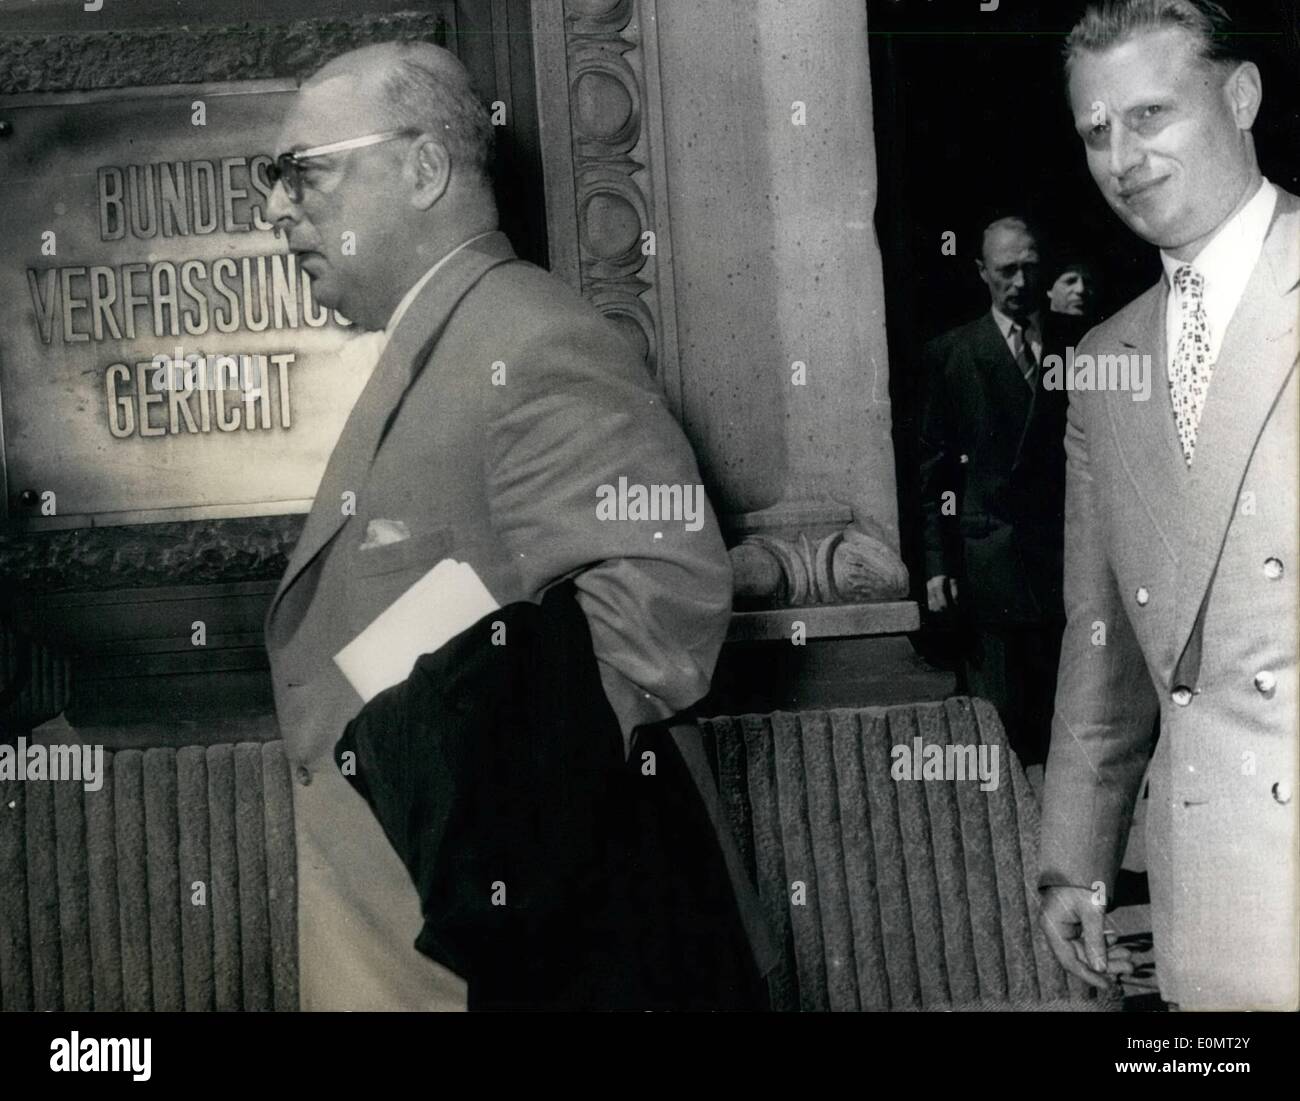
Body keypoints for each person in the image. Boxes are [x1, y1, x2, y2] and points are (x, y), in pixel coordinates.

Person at [262, 41, 773, 1010]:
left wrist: (483, 866)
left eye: (305, 172)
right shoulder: (443, 337)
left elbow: (657, 608)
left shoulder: (535, 340)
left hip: (502, 948)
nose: (276, 207)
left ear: (422, 169)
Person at [1039, 0, 1298, 1011]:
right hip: (1205, 892)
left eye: (1150, 116)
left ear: (1239, 97)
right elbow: (1100, 638)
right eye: (1095, 132)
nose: (1121, 158)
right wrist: (1076, 857)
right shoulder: (1104, 361)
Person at [918, 216, 1068, 770]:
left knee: (1069, 723)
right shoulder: (952, 355)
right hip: (990, 566)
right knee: (1003, 726)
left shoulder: (1082, 345)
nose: (1021, 282)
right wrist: (938, 563)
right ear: (983, 273)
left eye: (1031, 268)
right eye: (1007, 270)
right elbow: (934, 473)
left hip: (1063, 560)